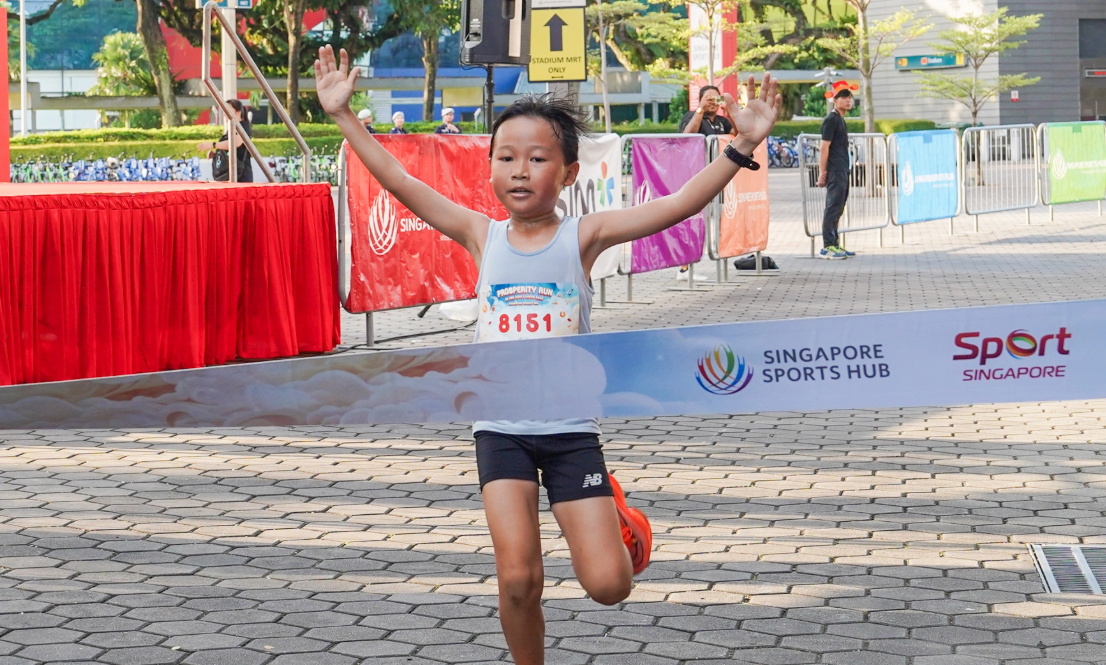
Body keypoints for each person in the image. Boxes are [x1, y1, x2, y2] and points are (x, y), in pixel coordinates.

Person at [313, 46, 779, 665]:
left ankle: (623, 521)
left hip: (569, 431)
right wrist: (346, 118)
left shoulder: (582, 237)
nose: (520, 171)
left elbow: (680, 204)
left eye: (538, 159)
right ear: (490, 169)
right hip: (500, 427)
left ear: (568, 172)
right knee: (518, 579)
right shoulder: (482, 235)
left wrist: (740, 147)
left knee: (609, 587)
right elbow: (400, 181)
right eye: (506, 158)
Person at [674, 84, 736, 279]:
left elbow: (737, 133)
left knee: (718, 220)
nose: (712, 102)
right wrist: (700, 109)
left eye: (715, 98)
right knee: (693, 221)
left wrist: (729, 111)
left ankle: (720, 261)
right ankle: (684, 270)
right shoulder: (692, 116)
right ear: (700, 100)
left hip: (718, 178)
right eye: (707, 98)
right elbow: (687, 135)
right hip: (696, 178)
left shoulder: (722, 121)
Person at [817, 80, 858, 259]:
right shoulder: (831, 120)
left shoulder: (840, 119)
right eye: (843, 97)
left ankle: (835, 244)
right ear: (835, 100)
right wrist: (822, 173)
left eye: (849, 97)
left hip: (842, 168)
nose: (848, 100)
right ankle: (828, 246)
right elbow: (824, 147)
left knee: (839, 207)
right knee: (832, 207)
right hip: (834, 170)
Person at [197, 98, 253, 183]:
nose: (225, 113)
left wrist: (213, 145)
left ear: (238, 112)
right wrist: (218, 154)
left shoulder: (243, 126)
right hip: (230, 176)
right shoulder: (232, 128)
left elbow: (236, 143)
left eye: (228, 110)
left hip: (241, 177)